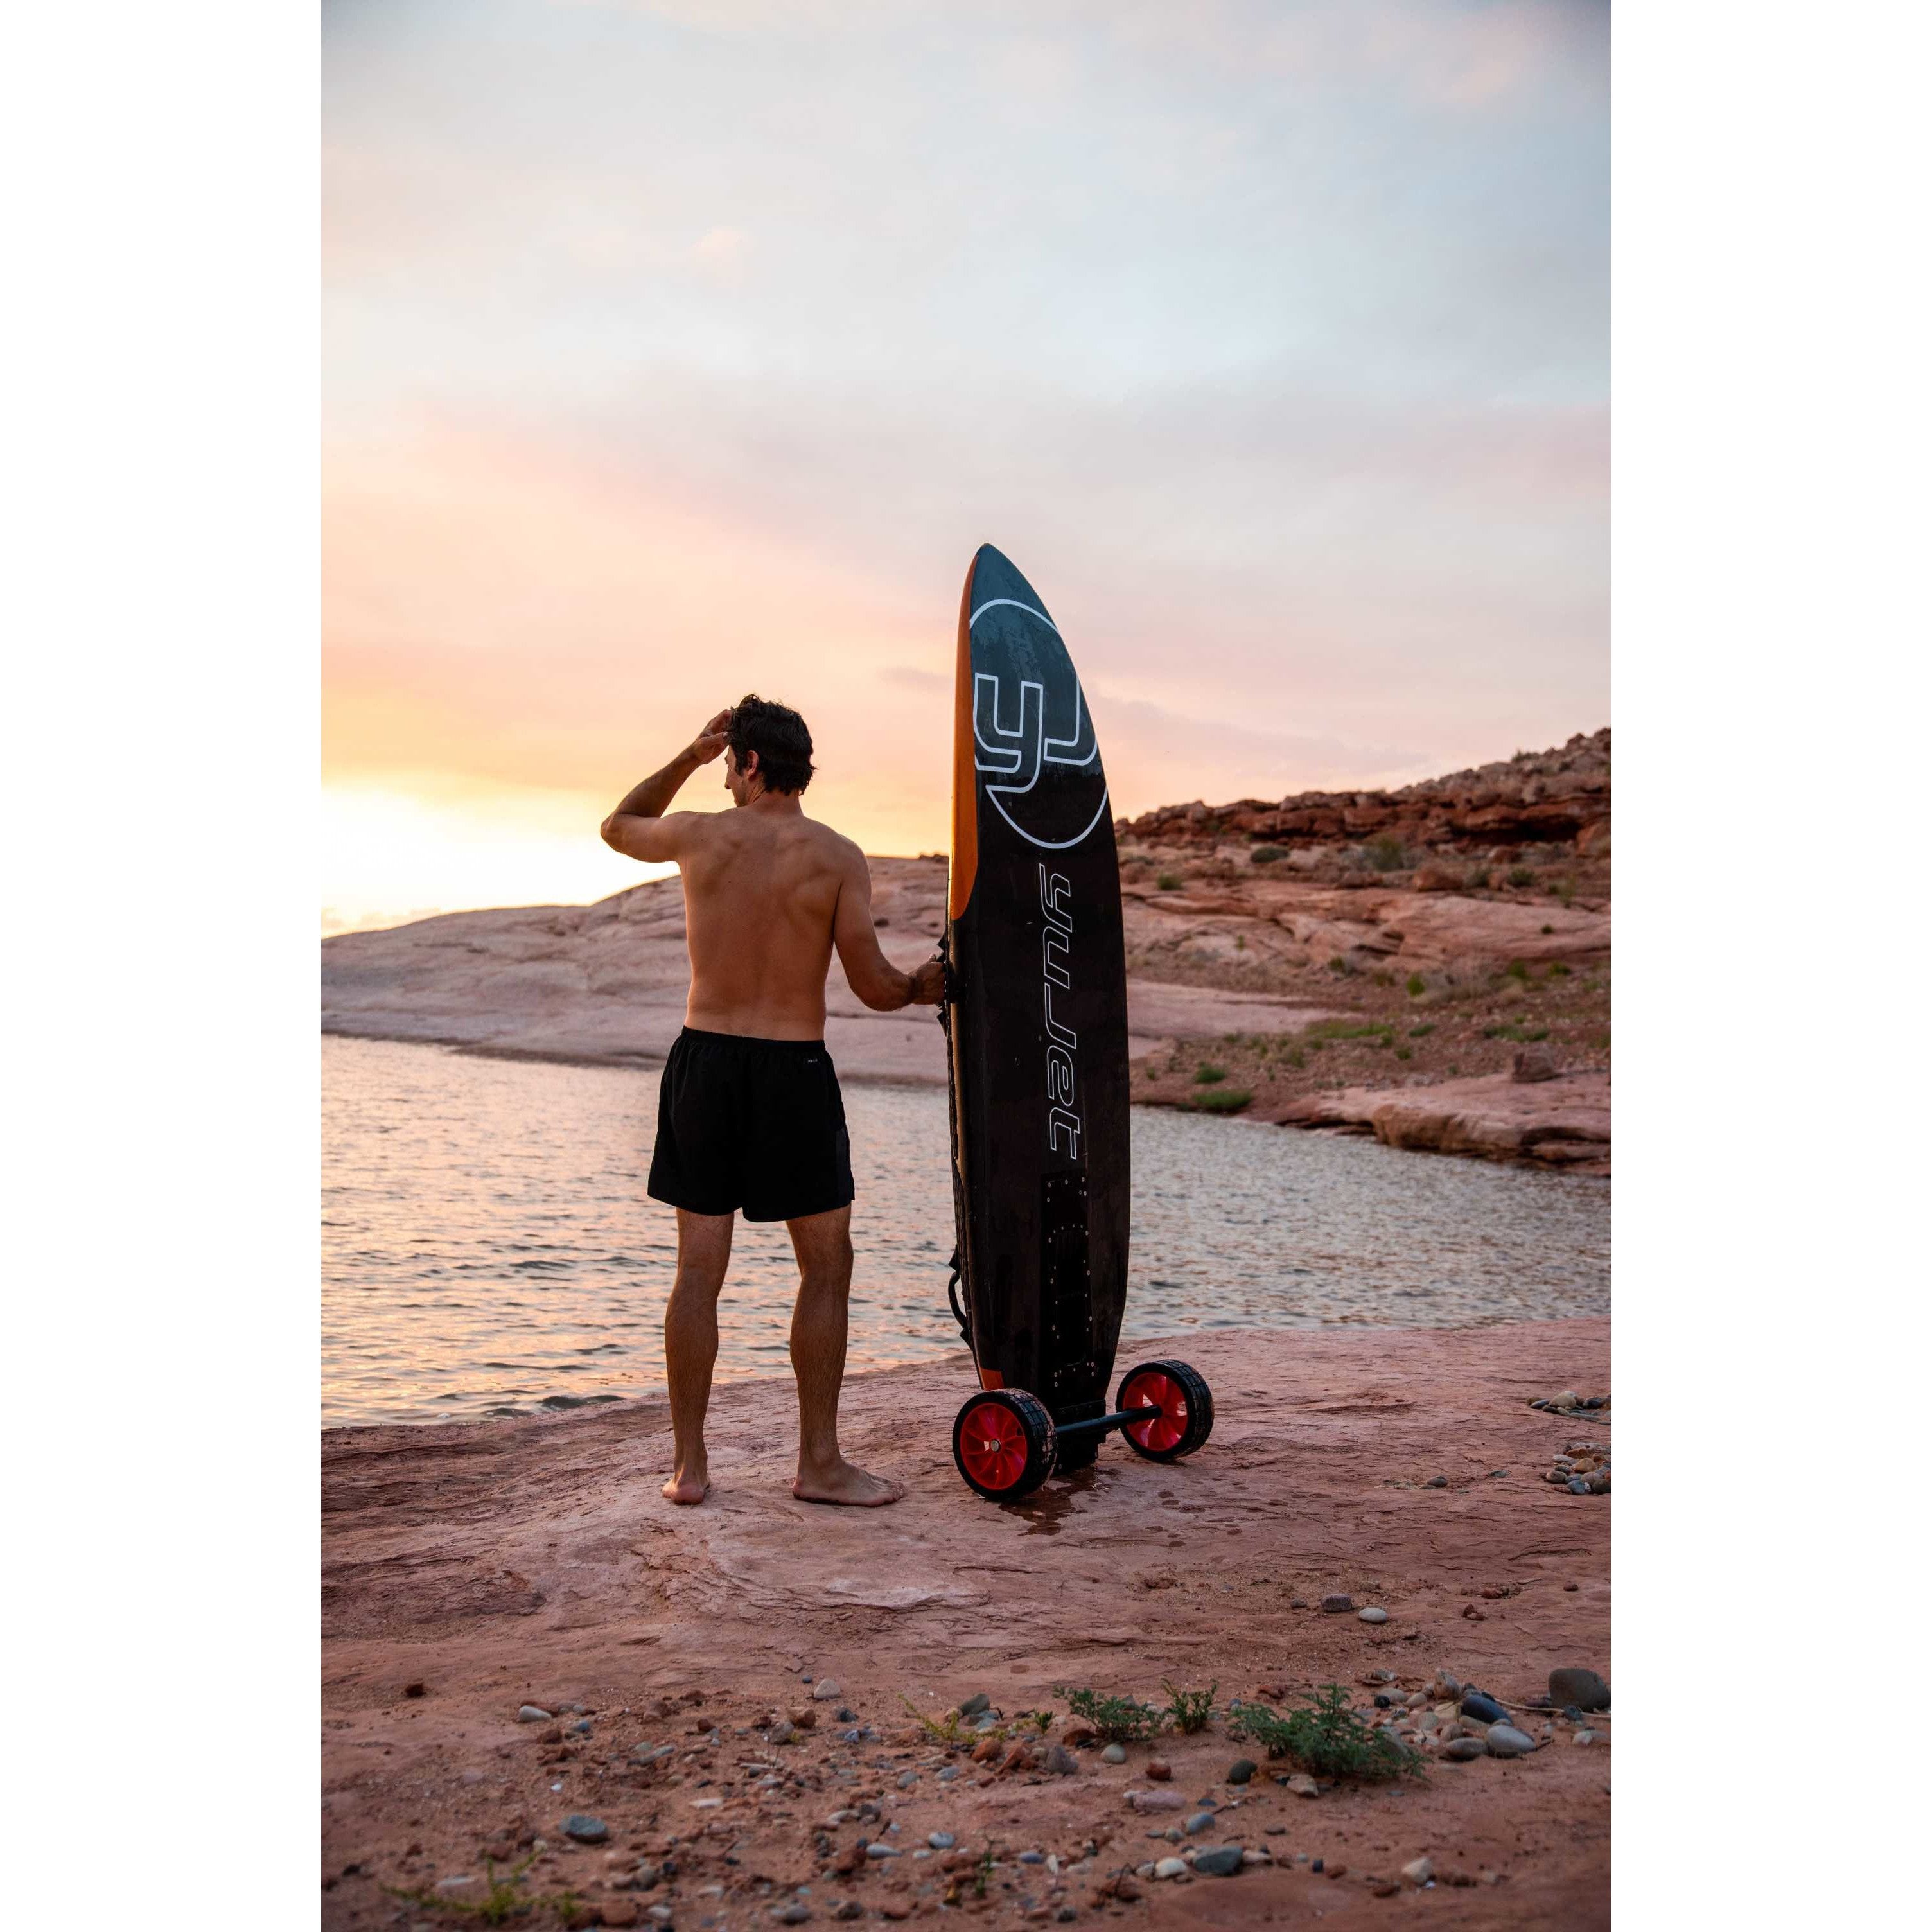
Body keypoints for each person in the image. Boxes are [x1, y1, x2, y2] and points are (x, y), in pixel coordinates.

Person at [601, 697, 944, 1507]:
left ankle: (689, 1468)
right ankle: (819, 1464)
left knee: (697, 1271)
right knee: (826, 1266)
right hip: (794, 1070)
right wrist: (922, 987)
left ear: (750, 763)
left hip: (705, 1063)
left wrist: (685, 753)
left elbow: (618, 824)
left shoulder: (697, 836)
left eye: (727, 762)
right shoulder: (836, 856)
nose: (721, 776)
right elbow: (872, 986)